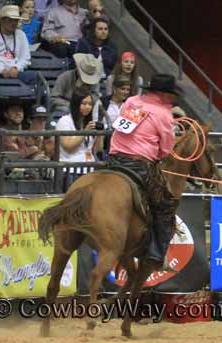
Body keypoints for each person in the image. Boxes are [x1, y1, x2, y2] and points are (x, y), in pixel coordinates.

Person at [106, 73, 182, 269]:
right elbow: (165, 149)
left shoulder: (132, 102)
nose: (172, 98)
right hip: (140, 165)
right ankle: (156, 254)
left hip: (113, 160)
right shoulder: (164, 114)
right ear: (164, 94)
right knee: (165, 206)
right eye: (171, 95)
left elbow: (121, 130)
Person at [56, 91, 103, 185]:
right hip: (71, 170)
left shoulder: (89, 122)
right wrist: (85, 132)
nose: (87, 107)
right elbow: (68, 146)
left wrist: (99, 134)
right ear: (75, 104)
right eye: (84, 103)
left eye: (90, 104)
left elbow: (97, 150)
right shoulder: (64, 121)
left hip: (89, 169)